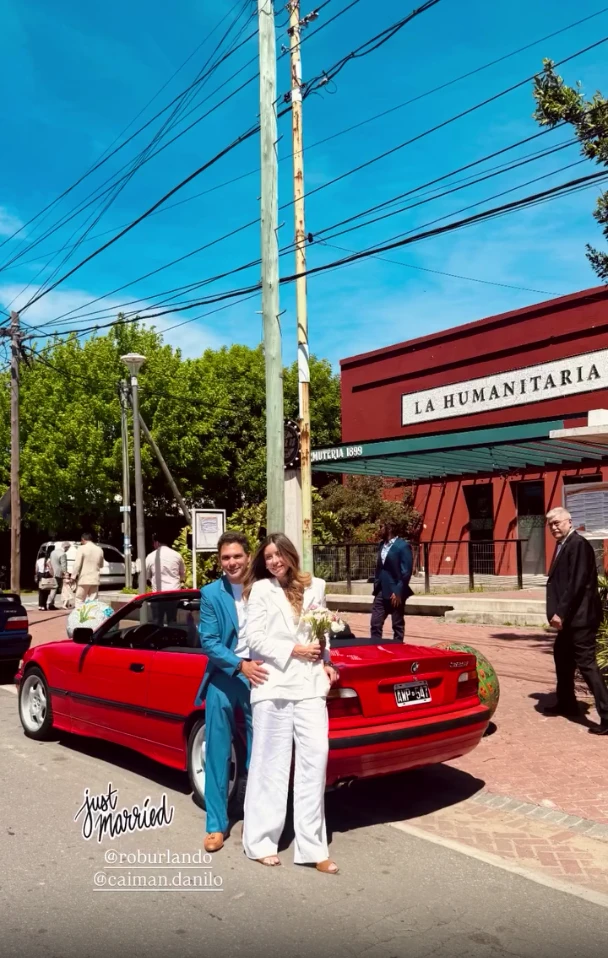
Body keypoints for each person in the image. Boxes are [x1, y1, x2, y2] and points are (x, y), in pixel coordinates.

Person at [241, 533, 340, 873]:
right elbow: (253, 637)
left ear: (290, 555)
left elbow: (321, 631)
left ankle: (313, 847)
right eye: (268, 556)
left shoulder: (317, 586)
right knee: (272, 763)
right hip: (274, 684)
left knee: (316, 759)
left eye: (278, 554)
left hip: (311, 684)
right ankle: (260, 841)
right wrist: (292, 650)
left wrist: (328, 661)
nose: (273, 561)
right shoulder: (260, 590)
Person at [195, 532, 268, 854]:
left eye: (237, 556)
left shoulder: (266, 589)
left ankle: (260, 820)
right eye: (225, 558)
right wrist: (240, 666)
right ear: (219, 561)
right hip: (225, 677)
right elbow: (209, 641)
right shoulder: (211, 593)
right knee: (217, 753)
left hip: (263, 678)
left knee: (262, 751)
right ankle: (215, 825)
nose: (231, 563)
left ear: (248, 556)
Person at [545, 506, 608, 735]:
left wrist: (560, 613)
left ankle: (607, 715)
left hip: (580, 618)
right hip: (571, 618)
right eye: (550, 524)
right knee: (562, 657)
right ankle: (567, 703)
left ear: (569, 521)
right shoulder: (564, 545)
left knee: (587, 664)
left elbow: (577, 583)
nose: (553, 527)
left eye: (557, 522)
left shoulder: (578, 544)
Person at [371, 521, 413, 643]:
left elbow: (406, 571)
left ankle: (398, 647)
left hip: (396, 591)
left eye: (381, 527)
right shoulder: (381, 545)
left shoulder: (402, 546)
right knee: (375, 623)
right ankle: (375, 647)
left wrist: (398, 590)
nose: (378, 530)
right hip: (381, 590)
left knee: (397, 624)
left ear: (389, 528)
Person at [72, 533, 104, 608]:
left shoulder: (81, 548)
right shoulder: (99, 549)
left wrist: (73, 576)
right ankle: (92, 616)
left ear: (83, 539)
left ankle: (80, 616)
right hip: (95, 578)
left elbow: (77, 564)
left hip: (84, 578)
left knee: (79, 599)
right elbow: (101, 565)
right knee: (93, 600)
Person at [48, 542, 69, 610]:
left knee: (52, 587)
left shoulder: (53, 552)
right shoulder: (63, 554)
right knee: (56, 588)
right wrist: (65, 573)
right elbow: (63, 565)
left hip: (52, 571)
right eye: (68, 548)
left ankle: (50, 602)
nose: (67, 550)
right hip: (58, 573)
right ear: (66, 547)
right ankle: (50, 603)